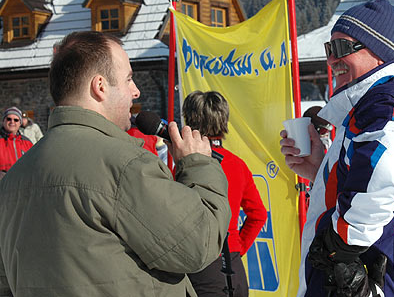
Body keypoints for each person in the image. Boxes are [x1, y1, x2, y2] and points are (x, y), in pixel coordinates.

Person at [0, 31, 231, 296]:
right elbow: (198, 244)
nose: (136, 91)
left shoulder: (14, 179)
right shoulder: (125, 166)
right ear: (100, 87)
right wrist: (199, 165)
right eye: (129, 79)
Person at [280, 0, 394, 297]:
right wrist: (321, 171)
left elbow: (383, 181)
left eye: (340, 49)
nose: (331, 60)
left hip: (387, 283)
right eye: (328, 49)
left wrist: (337, 247)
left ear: (380, 51)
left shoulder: (384, 105)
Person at [183, 90, 267, 297]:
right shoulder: (237, 164)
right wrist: (238, 248)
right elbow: (258, 214)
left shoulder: (188, 165)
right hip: (234, 266)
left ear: (190, 121)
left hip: (203, 267)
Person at [0, 106, 33, 176]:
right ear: (3, 121)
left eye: (16, 120)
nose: (12, 122)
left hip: (23, 183)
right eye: (9, 119)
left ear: (20, 123)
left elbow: (35, 163)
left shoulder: (27, 143)